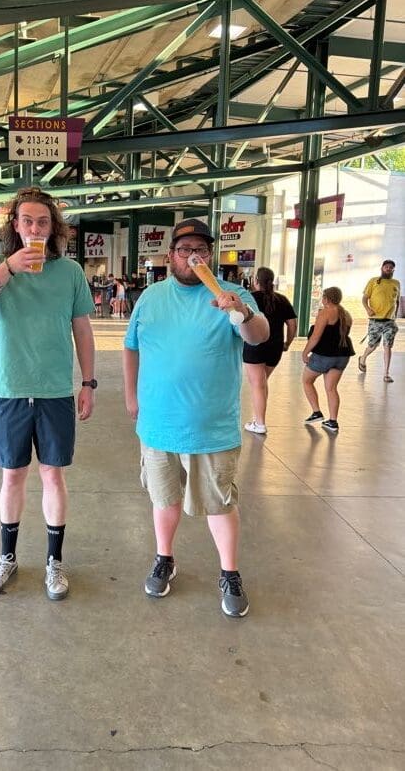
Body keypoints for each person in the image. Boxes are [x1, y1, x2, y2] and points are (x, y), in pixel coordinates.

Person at [122, 218, 269, 617]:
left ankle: (230, 572)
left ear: (211, 256)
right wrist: (131, 393)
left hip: (212, 426)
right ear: (171, 256)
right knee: (163, 498)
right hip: (157, 423)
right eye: (185, 250)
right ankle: (164, 557)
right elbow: (131, 347)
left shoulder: (231, 294)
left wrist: (240, 311)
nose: (193, 257)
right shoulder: (150, 298)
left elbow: (260, 334)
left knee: (219, 503)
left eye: (201, 251)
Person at [0, 187, 96, 601]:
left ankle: (55, 561)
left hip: (55, 389)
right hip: (11, 388)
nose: (35, 228)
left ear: (53, 227)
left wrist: (88, 382)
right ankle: (8, 556)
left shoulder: (70, 272)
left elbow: (83, 329)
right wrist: (10, 268)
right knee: (12, 474)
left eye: (42, 221)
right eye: (27, 221)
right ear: (15, 226)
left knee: (53, 474)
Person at [243, 267, 297, 434]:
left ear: (256, 281)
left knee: (257, 384)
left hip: (255, 347)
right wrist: (288, 342)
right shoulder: (281, 299)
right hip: (275, 347)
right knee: (262, 383)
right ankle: (257, 419)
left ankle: (260, 423)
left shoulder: (250, 298)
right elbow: (292, 324)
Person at [301, 287, 354, 433]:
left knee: (307, 381)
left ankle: (316, 411)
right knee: (331, 388)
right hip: (343, 355)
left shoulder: (325, 313)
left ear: (326, 298)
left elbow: (315, 336)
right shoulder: (346, 314)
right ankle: (332, 421)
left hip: (325, 355)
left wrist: (305, 352)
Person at [358, 260, 400, 383]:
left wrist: (394, 317)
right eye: (386, 267)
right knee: (373, 346)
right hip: (375, 320)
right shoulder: (373, 281)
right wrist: (368, 310)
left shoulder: (396, 283)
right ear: (382, 268)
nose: (388, 269)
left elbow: (396, 301)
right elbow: (364, 298)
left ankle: (386, 374)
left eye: (391, 268)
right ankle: (363, 358)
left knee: (387, 346)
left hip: (389, 322)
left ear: (393, 270)